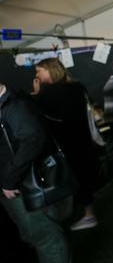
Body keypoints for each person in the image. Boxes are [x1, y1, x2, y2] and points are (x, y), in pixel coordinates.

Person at [0, 82, 70, 263]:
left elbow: (33, 140)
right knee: (39, 235)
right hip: (18, 184)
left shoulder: (14, 105)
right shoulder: (9, 104)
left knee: (45, 237)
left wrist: (9, 179)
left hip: (24, 185)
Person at [32, 58, 99, 231]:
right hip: (82, 139)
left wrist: (37, 94)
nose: (37, 75)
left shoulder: (52, 92)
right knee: (84, 177)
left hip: (68, 143)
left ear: (50, 70)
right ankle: (88, 213)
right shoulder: (76, 87)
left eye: (39, 71)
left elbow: (42, 114)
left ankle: (89, 216)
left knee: (77, 179)